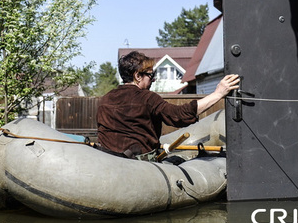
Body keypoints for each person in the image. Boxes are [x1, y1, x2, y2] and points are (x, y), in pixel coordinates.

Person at [97, 51, 240, 161]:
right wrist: (218, 93)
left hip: (110, 162)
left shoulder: (105, 99)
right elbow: (179, 115)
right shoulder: (147, 98)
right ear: (137, 76)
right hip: (138, 166)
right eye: (150, 75)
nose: (153, 79)